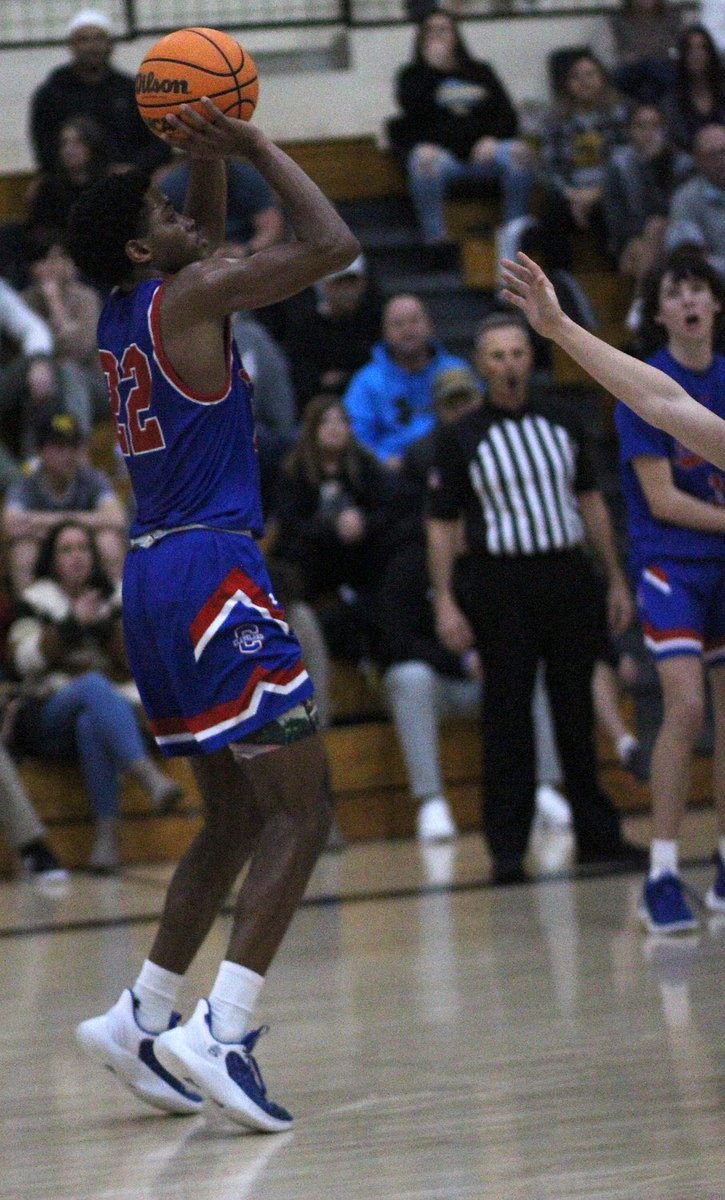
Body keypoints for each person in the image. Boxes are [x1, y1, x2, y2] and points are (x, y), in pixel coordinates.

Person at [65, 99, 359, 1128]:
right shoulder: (191, 295)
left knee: (234, 812)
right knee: (303, 810)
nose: (192, 216)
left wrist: (201, 160)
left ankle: (143, 1014)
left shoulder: (125, 308)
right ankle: (222, 1032)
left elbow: (203, 240)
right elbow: (333, 243)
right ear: (147, 245)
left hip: (151, 581)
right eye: (169, 206)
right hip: (211, 575)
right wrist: (256, 144)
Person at [499, 249, 725, 924]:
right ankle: (662, 868)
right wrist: (562, 329)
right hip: (673, 564)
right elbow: (660, 401)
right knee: (684, 707)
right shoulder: (670, 391)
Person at [425, 311, 647, 884]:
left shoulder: (564, 420)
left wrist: (615, 578)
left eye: (518, 354)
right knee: (507, 716)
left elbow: (592, 502)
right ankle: (506, 847)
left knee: (576, 711)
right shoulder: (460, 437)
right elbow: (441, 523)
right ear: (481, 364)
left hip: (566, 575)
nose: (508, 366)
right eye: (497, 356)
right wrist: (446, 600)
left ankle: (599, 836)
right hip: (500, 585)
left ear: (532, 358)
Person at [7, 520, 181, 872]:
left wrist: (102, 625)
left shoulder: (116, 597)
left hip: (109, 716)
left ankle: (107, 839)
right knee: (91, 685)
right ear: (51, 559)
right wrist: (73, 624)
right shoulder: (32, 601)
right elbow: (24, 661)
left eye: (84, 549)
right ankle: (145, 773)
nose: (77, 558)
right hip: (49, 713)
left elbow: (140, 662)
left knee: (91, 723)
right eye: (66, 550)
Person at [387, 7, 535, 249]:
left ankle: (514, 230)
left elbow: (507, 116)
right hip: (445, 159)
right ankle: (435, 238)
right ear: (421, 38)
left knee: (520, 153)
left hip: (485, 156)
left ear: (455, 35)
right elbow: (414, 118)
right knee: (423, 159)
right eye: (430, 31)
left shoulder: (480, 71)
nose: (437, 36)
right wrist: (431, 71)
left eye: (443, 29)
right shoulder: (412, 75)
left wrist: (492, 139)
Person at [29, 8, 171, 177]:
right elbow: (44, 147)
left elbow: (158, 143)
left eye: (98, 38)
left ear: (110, 44)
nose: (92, 46)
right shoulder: (52, 94)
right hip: (71, 186)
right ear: (72, 45)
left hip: (127, 183)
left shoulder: (131, 90)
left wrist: (133, 167)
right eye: (84, 39)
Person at [2, 411, 127, 597]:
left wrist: (45, 521)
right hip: (45, 551)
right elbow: (11, 525)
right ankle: (30, 613)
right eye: (59, 447)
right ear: (41, 451)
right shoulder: (27, 482)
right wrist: (78, 522)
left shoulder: (91, 477)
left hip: (82, 546)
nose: (68, 454)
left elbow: (117, 518)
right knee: (23, 551)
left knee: (109, 541)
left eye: (73, 446)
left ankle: (116, 608)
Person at [528, 50, 629, 272]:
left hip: (608, 190)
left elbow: (626, 164)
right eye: (576, 76)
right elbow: (547, 168)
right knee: (551, 212)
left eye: (590, 74)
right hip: (570, 193)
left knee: (610, 209)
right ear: (566, 84)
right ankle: (560, 283)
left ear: (602, 78)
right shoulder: (554, 120)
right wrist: (572, 195)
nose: (584, 82)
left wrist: (597, 193)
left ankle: (615, 279)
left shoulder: (620, 115)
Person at [343, 292, 469, 468]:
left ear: (430, 325)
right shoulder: (367, 382)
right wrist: (382, 461)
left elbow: (476, 423)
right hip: (390, 474)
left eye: (414, 321)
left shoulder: (456, 371)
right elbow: (356, 439)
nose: (407, 331)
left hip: (452, 466)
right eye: (398, 324)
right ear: (384, 332)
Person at [602, 103, 690, 329]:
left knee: (656, 226)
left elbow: (675, 210)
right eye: (641, 126)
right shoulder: (619, 164)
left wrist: (654, 166)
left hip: (677, 234)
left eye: (655, 125)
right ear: (630, 130)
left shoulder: (680, 163)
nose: (649, 132)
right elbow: (614, 214)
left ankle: (642, 304)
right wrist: (630, 240)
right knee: (646, 239)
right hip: (633, 240)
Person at [279, 253, 383, 415]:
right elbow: (301, 379)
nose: (347, 291)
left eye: (352, 282)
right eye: (340, 283)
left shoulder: (375, 321)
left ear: (363, 284)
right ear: (324, 285)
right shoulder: (305, 327)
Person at [23, 242, 106, 435]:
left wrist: (55, 304)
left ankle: (78, 449)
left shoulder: (87, 298)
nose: (54, 266)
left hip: (94, 385)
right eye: (47, 260)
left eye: (60, 258)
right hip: (48, 386)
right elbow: (30, 356)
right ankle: (33, 461)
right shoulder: (25, 302)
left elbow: (81, 348)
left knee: (68, 371)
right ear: (33, 267)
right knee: (36, 385)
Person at [159, 155, 285, 259]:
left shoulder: (249, 177)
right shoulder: (172, 185)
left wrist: (245, 251)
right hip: (194, 258)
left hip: (245, 256)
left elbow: (271, 228)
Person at [666, 123, 725, 279]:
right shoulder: (686, 198)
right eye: (714, 154)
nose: (722, 160)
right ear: (698, 160)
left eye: (724, 151)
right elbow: (690, 259)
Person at [594, 0, 682, 104]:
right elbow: (604, 55)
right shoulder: (615, 20)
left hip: (664, 75)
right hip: (629, 77)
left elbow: (680, 51)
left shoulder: (673, 18)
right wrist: (624, 59)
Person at [660, 24, 725, 157]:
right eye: (690, 49)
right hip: (690, 163)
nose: (697, 54)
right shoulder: (673, 100)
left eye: (702, 48)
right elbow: (675, 141)